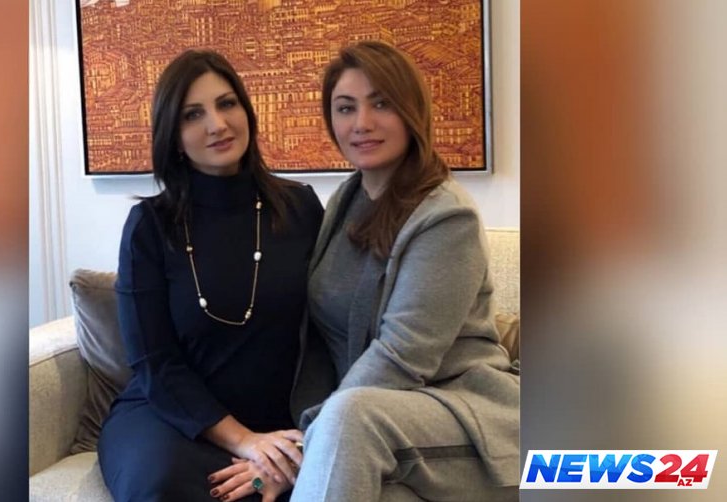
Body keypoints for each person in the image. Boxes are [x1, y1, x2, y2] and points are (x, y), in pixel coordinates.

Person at [216, 41, 520, 501]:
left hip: (461, 415)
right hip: (379, 427)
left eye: (381, 103)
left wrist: (302, 450)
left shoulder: (446, 218)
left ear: (412, 111)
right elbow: (318, 338)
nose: (361, 123)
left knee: (349, 419)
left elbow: (402, 357)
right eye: (345, 108)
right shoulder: (346, 200)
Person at [97, 49, 323, 502]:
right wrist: (244, 442)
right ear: (174, 137)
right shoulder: (150, 227)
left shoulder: (300, 209)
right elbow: (154, 363)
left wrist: (294, 448)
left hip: (276, 423)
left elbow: (330, 337)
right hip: (173, 418)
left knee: (280, 487)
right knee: (161, 484)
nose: (217, 124)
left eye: (227, 104)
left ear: (247, 111)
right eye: (193, 114)